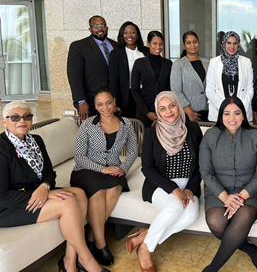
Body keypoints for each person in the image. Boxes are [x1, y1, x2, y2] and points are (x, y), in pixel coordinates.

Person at [0, 101, 109, 272]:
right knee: (68, 202)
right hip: (9, 206)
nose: (21, 120)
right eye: (15, 117)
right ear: (4, 121)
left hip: (37, 192)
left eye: (26, 116)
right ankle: (86, 259)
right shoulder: (2, 148)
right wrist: (47, 194)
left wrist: (45, 187)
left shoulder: (35, 140)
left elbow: (50, 173)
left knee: (79, 194)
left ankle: (69, 260)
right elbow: (2, 197)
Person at [125, 91, 203, 272]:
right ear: (157, 112)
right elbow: (147, 168)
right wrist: (174, 189)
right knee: (175, 208)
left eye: (172, 106)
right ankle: (145, 250)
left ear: (178, 105)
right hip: (161, 186)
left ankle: (144, 238)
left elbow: (202, 165)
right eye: (162, 108)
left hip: (188, 185)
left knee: (190, 215)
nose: (168, 111)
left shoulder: (193, 129)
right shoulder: (152, 133)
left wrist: (190, 188)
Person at [199, 96, 257, 272]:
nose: (232, 118)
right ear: (221, 116)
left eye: (237, 113)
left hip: (251, 191)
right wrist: (224, 197)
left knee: (244, 215)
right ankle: (251, 249)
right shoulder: (210, 135)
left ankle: (212, 268)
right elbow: (206, 173)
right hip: (218, 190)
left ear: (243, 115)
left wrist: (240, 197)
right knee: (215, 221)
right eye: (227, 113)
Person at [70, 86, 138, 266]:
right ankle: (101, 244)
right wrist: (102, 169)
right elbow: (79, 156)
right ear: (95, 105)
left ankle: (91, 236)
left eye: (108, 102)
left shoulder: (126, 124)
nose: (105, 107)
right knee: (99, 191)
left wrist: (122, 168)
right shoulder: (87, 124)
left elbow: (133, 151)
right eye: (100, 104)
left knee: (116, 186)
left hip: (114, 169)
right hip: (86, 170)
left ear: (114, 101)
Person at [67, 15, 118, 120]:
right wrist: (81, 101)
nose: (100, 29)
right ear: (90, 29)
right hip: (92, 103)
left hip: (115, 102)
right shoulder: (79, 46)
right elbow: (75, 76)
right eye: (95, 26)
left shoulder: (116, 45)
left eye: (102, 25)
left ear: (107, 28)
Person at [206, 31, 254, 122]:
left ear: (238, 45)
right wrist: (226, 109)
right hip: (219, 111)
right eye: (229, 43)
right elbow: (209, 91)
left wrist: (239, 109)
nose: (232, 47)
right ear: (224, 44)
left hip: (241, 113)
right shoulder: (214, 62)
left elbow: (250, 89)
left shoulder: (246, 62)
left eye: (235, 43)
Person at [131, 31, 173, 127]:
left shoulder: (168, 63)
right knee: (144, 140)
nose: (158, 47)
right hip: (144, 111)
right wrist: (147, 112)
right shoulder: (139, 63)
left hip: (165, 111)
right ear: (148, 44)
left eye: (161, 44)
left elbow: (171, 87)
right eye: (154, 43)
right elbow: (135, 90)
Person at [109, 21, 150, 118]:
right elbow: (114, 80)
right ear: (122, 35)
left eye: (133, 32)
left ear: (138, 35)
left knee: (144, 126)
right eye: (125, 32)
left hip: (145, 95)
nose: (129, 35)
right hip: (127, 97)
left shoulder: (146, 52)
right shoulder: (116, 54)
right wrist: (113, 102)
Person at [171, 31, 209, 122]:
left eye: (195, 42)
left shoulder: (208, 63)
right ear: (184, 45)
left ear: (199, 43)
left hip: (208, 111)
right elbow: (176, 91)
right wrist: (190, 113)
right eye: (188, 43)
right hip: (189, 112)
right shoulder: (178, 65)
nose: (192, 45)